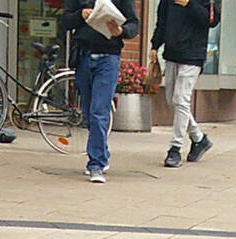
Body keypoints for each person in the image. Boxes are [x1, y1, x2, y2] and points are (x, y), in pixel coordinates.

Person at [67, 0, 139, 183]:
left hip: (108, 58)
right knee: (89, 113)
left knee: (99, 111)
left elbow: (133, 24)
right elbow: (65, 20)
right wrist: (80, 15)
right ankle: (102, 153)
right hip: (83, 56)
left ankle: (96, 164)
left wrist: (121, 31)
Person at [152, 0, 219, 169]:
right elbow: (162, 21)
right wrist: (154, 46)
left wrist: (189, 4)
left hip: (193, 55)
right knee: (171, 100)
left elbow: (211, 20)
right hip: (172, 53)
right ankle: (199, 138)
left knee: (180, 99)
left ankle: (175, 148)